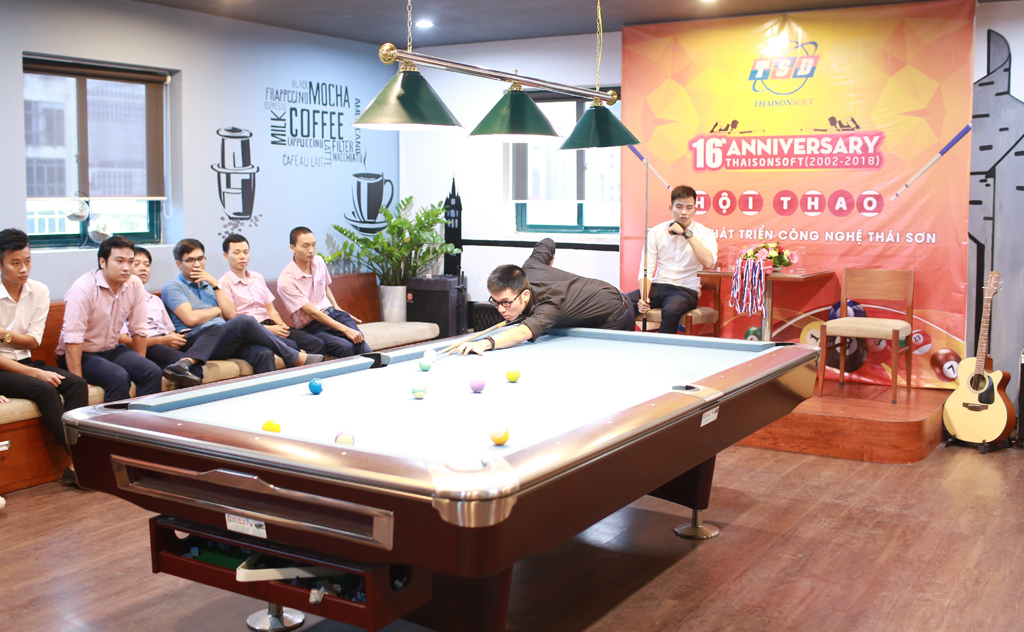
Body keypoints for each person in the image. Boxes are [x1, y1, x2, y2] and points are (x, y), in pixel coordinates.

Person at [161, 238, 323, 386]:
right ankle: (294, 357)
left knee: (264, 353)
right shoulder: (173, 286)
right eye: (190, 260)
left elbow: (230, 313)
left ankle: (269, 397)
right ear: (179, 264)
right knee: (244, 320)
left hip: (224, 339)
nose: (197, 264)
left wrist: (216, 285)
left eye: (200, 259)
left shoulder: (211, 286)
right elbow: (190, 318)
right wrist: (217, 310)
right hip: (199, 340)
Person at [0, 228, 89, 483]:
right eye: (15, 263)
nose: (24, 269)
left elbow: (33, 341)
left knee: (76, 384)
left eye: (27, 261)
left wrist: (3, 335)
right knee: (45, 389)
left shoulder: (38, 291)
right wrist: (35, 373)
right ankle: (85, 461)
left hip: (24, 360)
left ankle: (74, 465)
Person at [457, 238, 634, 355]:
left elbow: (522, 332)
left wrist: (485, 343)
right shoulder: (530, 266)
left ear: (525, 295)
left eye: (506, 302)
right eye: (495, 302)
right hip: (592, 308)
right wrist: (547, 272)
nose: (501, 309)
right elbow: (547, 243)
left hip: (616, 313)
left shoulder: (549, 306)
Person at [57, 235, 162, 402]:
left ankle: (142, 417)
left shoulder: (134, 284)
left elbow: (139, 329)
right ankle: (115, 420)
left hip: (112, 349)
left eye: (130, 262)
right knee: (117, 377)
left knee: (151, 371)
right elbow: (73, 339)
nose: (126, 268)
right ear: (103, 262)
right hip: (83, 353)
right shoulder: (83, 288)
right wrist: (78, 381)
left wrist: (139, 364)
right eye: (119, 261)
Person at [626, 185, 718, 334]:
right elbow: (646, 268)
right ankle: (628, 342)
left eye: (689, 208)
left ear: (695, 209)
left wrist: (687, 234)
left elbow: (709, 262)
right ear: (671, 208)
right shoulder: (656, 232)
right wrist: (644, 297)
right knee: (623, 302)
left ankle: (662, 348)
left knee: (671, 310)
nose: (684, 212)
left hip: (686, 289)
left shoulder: (705, 233)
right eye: (679, 207)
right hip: (658, 286)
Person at [218, 234, 325, 356]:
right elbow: (232, 318)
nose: (242, 257)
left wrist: (280, 324)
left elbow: (271, 309)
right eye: (236, 253)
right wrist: (270, 330)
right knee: (292, 346)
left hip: (272, 323)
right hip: (252, 331)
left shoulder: (257, 277)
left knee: (315, 343)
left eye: (246, 252)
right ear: (225, 256)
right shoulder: (223, 283)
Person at [277, 227, 370, 358]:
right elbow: (312, 312)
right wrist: (345, 329)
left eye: (314, 245)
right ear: (292, 248)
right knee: (344, 347)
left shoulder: (319, 261)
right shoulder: (286, 280)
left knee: (359, 341)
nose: (311, 250)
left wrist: (337, 308)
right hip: (312, 325)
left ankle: (376, 368)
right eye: (305, 246)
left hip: (333, 314)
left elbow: (324, 286)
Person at [116, 246, 191, 373]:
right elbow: (123, 340)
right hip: (148, 345)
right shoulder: (119, 300)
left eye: (147, 265)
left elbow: (170, 331)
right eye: (137, 264)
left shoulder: (155, 300)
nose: (143, 268)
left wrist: (175, 338)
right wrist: (161, 341)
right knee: (185, 363)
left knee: (212, 331)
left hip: (166, 342)